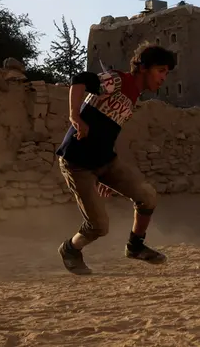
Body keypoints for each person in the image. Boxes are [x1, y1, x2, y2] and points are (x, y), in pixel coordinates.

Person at [55, 43, 176, 275]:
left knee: (147, 196)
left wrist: (105, 175)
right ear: (143, 67)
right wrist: (75, 117)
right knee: (98, 226)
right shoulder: (118, 81)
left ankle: (135, 246)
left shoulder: (133, 96)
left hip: (104, 161)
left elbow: (107, 133)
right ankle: (70, 249)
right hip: (78, 163)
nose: (163, 78)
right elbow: (80, 79)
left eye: (166, 73)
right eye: (161, 70)